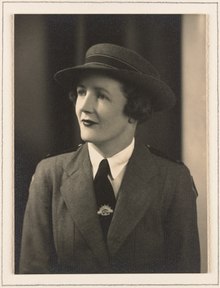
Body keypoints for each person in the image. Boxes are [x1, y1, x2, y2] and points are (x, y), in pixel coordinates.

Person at [19, 43, 200, 274]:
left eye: (101, 96)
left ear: (135, 110)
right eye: (81, 92)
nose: (83, 106)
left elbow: (186, 276)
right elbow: (31, 275)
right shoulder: (50, 175)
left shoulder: (173, 180)